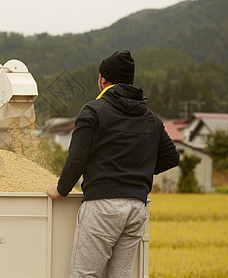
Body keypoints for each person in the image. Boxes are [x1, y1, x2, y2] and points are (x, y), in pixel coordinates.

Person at [46, 50, 180, 278]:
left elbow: (77, 158)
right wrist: (138, 171)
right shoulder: (151, 118)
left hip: (102, 205)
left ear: (103, 79)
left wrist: (61, 189)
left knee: (84, 274)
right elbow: (171, 157)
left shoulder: (93, 111)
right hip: (137, 208)